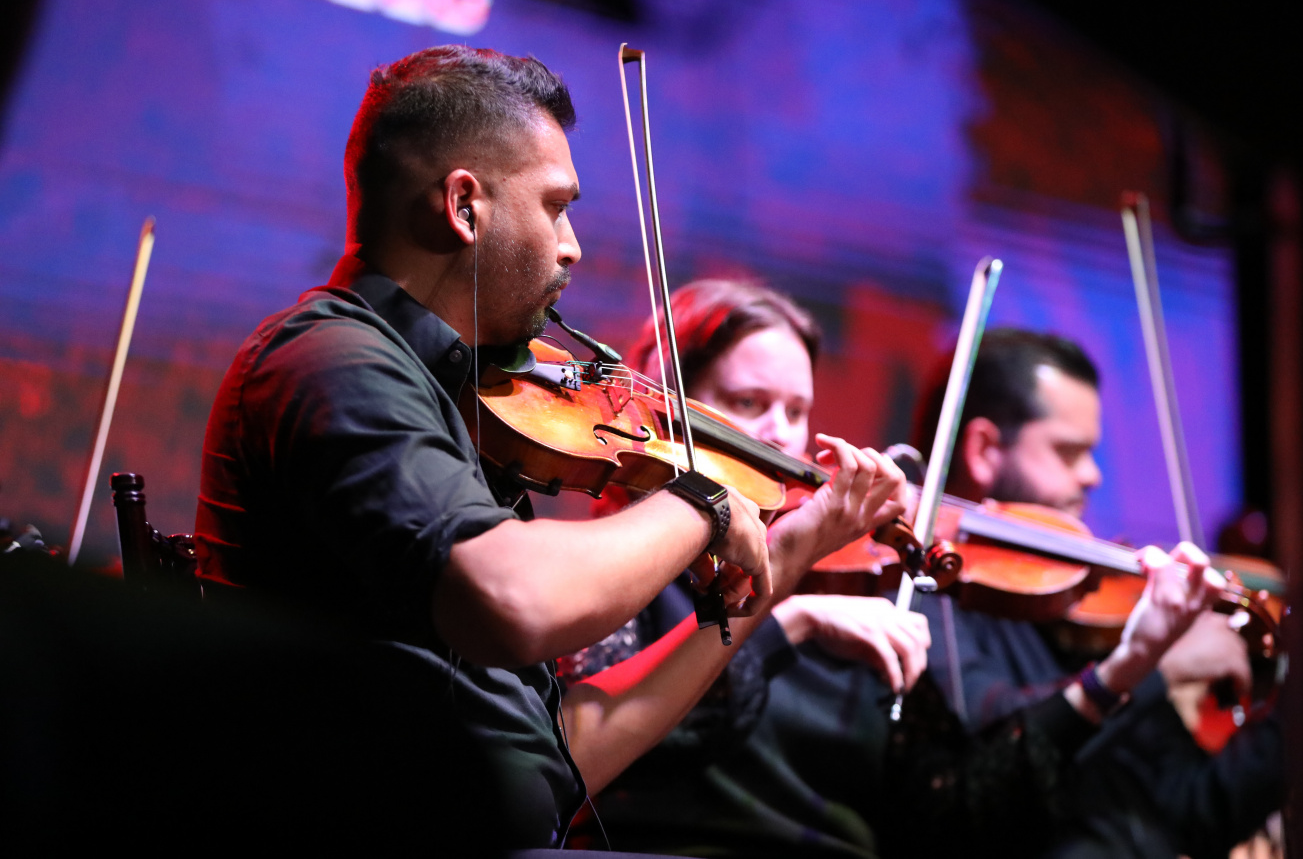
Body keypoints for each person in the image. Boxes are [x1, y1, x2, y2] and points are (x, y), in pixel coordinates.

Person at [193, 45, 912, 850]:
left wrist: (788, 550)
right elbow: (516, 600)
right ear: (465, 206)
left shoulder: (456, 393)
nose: (571, 246)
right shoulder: (330, 361)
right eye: (555, 207)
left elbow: (565, 751)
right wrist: (702, 504)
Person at [567, 280, 1227, 858]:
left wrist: (1127, 666)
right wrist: (787, 624)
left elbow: (957, 813)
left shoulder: (860, 588)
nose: (779, 434)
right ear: (669, 401)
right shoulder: (622, 572)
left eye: (796, 411)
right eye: (747, 402)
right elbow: (604, 757)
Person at [913, 328, 1284, 859]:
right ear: (985, 450)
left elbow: (1194, 808)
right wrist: (1158, 667)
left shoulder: (1085, 610)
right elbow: (992, 751)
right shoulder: (925, 598)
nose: (1092, 475)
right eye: (1069, 452)